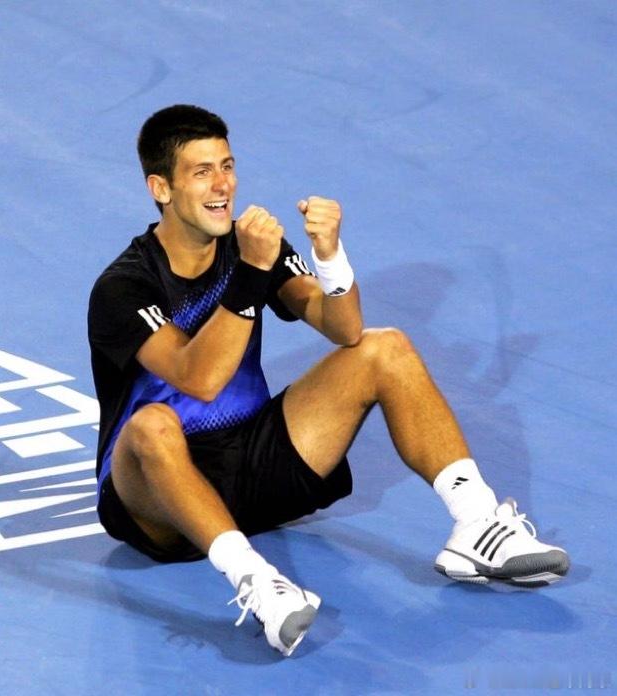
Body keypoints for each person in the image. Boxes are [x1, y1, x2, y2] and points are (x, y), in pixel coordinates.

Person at [88, 104, 569, 657]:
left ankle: (476, 524)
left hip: (253, 464)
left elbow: (344, 329)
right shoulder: (123, 288)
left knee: (385, 348)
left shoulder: (251, 248)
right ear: (161, 188)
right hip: (160, 502)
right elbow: (199, 378)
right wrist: (250, 274)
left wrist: (330, 255)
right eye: (202, 172)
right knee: (151, 425)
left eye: (227, 166)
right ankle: (258, 583)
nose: (223, 185)